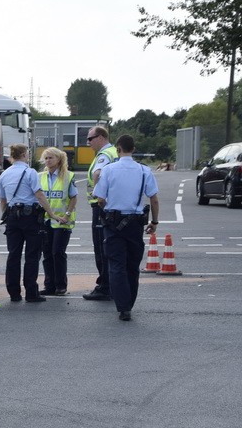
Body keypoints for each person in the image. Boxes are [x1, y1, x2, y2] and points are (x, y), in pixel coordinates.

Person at [92, 134, 160, 321]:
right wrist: (154, 222)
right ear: (134, 149)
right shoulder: (145, 171)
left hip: (113, 223)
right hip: (135, 223)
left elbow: (100, 199)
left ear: (118, 149)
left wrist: (107, 209)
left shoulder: (108, 170)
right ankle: (129, 302)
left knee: (116, 264)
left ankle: (123, 307)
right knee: (132, 265)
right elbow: (153, 199)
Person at [0, 144, 66, 302]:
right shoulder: (30, 172)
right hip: (30, 217)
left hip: (12, 217)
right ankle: (31, 293)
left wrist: (7, 216)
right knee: (32, 255)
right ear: (24, 155)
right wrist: (51, 213)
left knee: (13, 255)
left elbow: (3, 200)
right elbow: (39, 195)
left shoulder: (5, 174)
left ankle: (14, 293)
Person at [82, 126, 119, 301]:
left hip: (101, 206)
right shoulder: (114, 152)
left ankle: (104, 287)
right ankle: (111, 285)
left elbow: (97, 174)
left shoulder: (104, 155)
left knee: (100, 247)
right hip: (113, 206)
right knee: (111, 247)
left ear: (102, 137)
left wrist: (99, 195)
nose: (88, 142)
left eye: (91, 138)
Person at [38, 147, 77, 296]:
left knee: (57, 253)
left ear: (58, 159)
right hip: (46, 221)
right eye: (46, 158)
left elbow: (73, 197)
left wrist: (67, 214)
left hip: (62, 221)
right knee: (47, 254)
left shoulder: (67, 176)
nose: (48, 161)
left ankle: (61, 285)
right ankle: (49, 285)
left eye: (51, 158)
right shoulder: (40, 176)